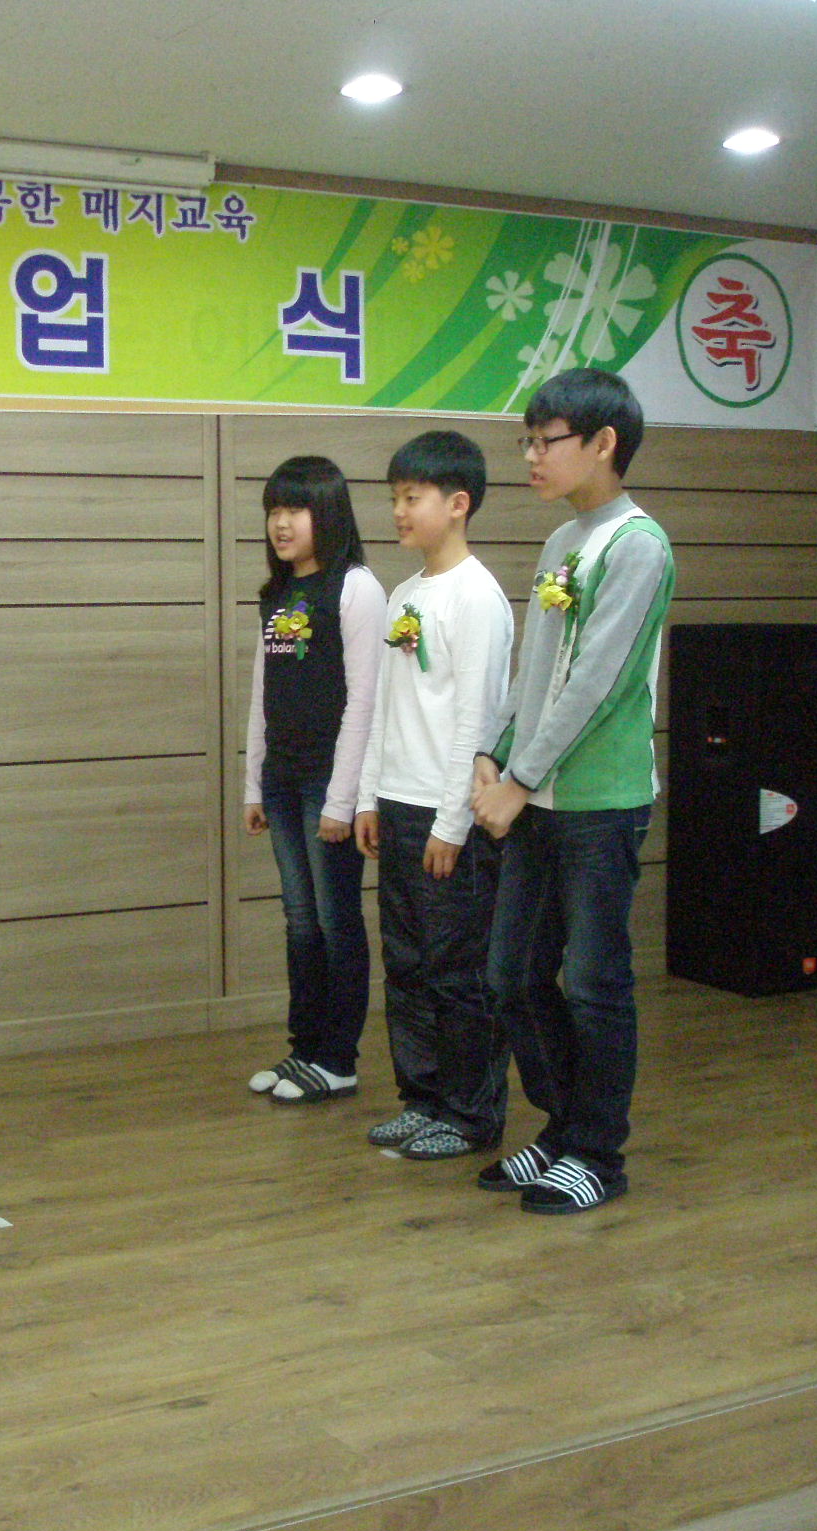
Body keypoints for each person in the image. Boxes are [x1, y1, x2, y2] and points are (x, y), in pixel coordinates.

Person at [471, 367, 676, 1214]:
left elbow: (597, 681)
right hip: (535, 795)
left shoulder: (639, 546)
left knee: (594, 982)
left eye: (545, 441)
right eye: (527, 440)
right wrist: (492, 752)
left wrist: (519, 778)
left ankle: (598, 1153)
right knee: (511, 976)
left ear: (603, 443)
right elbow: (537, 666)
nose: (531, 456)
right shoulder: (562, 540)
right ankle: (563, 1130)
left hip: (598, 802)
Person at [353, 430, 515, 1160]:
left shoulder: (477, 597)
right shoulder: (405, 594)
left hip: (450, 818)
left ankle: (471, 1113)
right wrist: (368, 797)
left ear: (457, 504)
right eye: (394, 498)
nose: (398, 511)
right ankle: (422, 1099)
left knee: (458, 972)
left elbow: (477, 724)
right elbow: (387, 708)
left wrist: (453, 824)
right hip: (399, 805)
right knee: (407, 965)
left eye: (411, 497)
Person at [242, 455, 386, 1104]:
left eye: (295, 509)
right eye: (274, 510)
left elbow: (365, 701)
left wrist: (342, 799)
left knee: (335, 920)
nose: (281, 523)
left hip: (329, 783)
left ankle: (338, 1060)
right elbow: (261, 694)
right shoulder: (277, 594)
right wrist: (254, 784)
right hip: (283, 778)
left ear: (327, 514)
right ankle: (305, 1052)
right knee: (299, 920)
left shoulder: (355, 587)